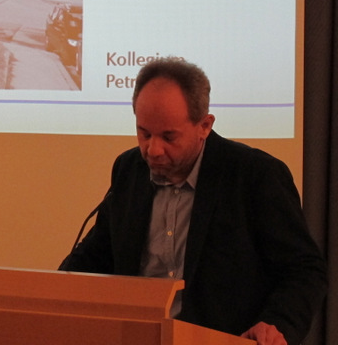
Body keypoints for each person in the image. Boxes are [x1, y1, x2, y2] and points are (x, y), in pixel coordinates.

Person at [59, 58, 326, 345]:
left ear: (204, 126)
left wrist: (277, 324)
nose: (153, 150)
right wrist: (53, 292)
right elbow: (97, 255)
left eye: (169, 136)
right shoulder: (129, 169)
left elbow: (303, 269)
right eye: (144, 133)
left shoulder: (254, 175)